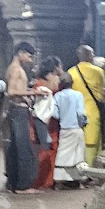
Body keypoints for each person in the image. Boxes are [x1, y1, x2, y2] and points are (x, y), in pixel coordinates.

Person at [2, 41, 44, 195]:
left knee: (15, 147)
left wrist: (28, 91)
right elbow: (12, 91)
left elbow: (17, 89)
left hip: (16, 110)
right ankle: (23, 186)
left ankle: (13, 183)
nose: (30, 59)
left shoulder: (12, 69)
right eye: (28, 55)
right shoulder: (16, 70)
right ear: (20, 52)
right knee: (23, 148)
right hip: (19, 112)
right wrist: (34, 93)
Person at [66, 44, 105, 163]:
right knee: (92, 143)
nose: (93, 56)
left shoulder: (71, 72)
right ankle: (90, 171)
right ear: (88, 55)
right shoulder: (98, 71)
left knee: (79, 142)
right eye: (92, 53)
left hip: (76, 112)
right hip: (93, 111)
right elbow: (101, 92)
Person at [32, 58, 62, 190]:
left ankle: (46, 180)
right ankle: (43, 181)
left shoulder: (39, 82)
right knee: (46, 150)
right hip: (46, 120)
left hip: (47, 120)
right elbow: (54, 89)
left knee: (48, 149)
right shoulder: (48, 83)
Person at [53, 75, 88, 186]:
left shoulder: (57, 96)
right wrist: (84, 123)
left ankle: (59, 180)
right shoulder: (78, 95)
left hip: (64, 128)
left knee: (62, 154)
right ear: (72, 83)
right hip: (76, 128)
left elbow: (55, 114)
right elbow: (81, 113)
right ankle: (79, 179)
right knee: (78, 154)